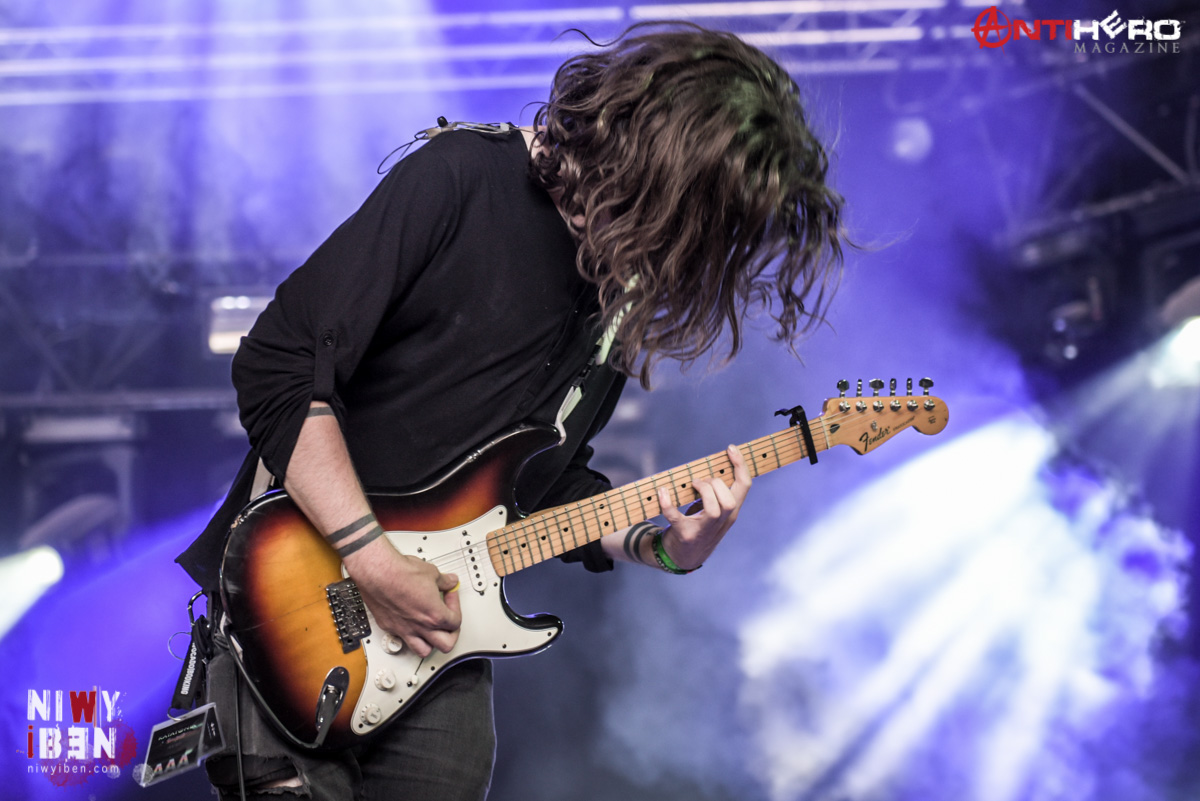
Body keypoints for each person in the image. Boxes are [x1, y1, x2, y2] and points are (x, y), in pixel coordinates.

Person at [176, 21, 845, 801]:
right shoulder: (461, 177)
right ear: (662, 173)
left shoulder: (615, 286)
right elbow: (280, 364)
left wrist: (667, 545)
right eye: (698, 223)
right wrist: (373, 559)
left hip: (437, 645)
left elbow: (543, 485)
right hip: (294, 603)